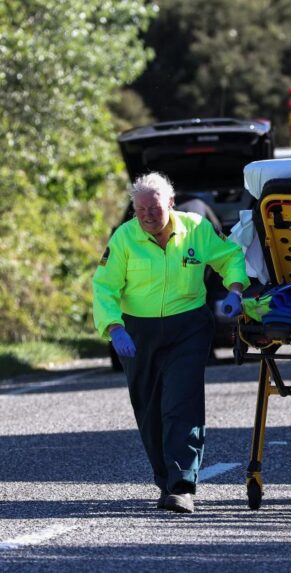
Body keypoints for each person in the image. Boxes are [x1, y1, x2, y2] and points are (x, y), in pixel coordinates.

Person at [92, 172, 249, 514]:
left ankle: (182, 484)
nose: (148, 214)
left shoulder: (195, 228)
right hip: (138, 332)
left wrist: (236, 289)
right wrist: (114, 327)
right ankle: (164, 479)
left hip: (188, 328)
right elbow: (104, 287)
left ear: (171, 203)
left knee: (181, 402)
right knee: (149, 411)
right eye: (141, 208)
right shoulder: (124, 238)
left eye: (155, 207)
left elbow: (230, 256)